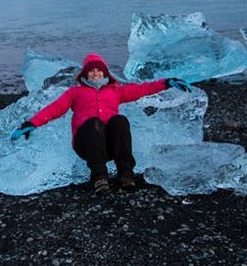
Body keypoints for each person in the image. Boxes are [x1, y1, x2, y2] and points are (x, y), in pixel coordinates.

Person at [11, 53, 192, 195]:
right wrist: (31, 123)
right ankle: (99, 178)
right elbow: (55, 108)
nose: (96, 73)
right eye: (92, 70)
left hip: (110, 146)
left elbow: (142, 89)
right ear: (85, 74)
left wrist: (166, 83)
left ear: (105, 73)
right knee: (93, 123)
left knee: (119, 121)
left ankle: (126, 174)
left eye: (99, 70)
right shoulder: (75, 93)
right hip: (87, 145)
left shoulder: (115, 92)